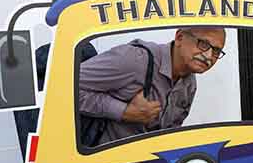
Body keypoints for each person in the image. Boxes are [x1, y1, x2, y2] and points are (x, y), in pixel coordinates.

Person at [78, 27, 225, 145]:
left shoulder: (189, 83)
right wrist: (123, 112)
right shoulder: (134, 59)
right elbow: (63, 89)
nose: (208, 56)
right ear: (180, 37)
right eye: (203, 44)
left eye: (216, 51)